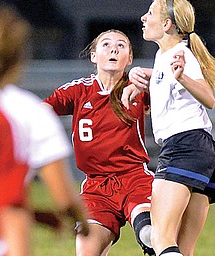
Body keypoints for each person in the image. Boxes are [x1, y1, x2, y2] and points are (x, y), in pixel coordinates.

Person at [0, 3, 88, 256]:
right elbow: (13, 205)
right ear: (18, 57)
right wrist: (82, 223)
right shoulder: (22, 112)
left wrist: (36, 215)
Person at [121, 0, 215, 255]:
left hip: (183, 147)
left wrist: (183, 78)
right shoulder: (167, 55)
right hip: (202, 150)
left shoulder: (181, 55)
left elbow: (209, 97)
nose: (143, 18)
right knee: (182, 248)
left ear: (167, 24)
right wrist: (140, 77)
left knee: (161, 238)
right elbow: (163, 74)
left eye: (150, 14)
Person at [43, 29, 156, 256]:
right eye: (106, 44)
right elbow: (40, 112)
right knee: (85, 250)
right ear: (94, 56)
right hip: (96, 188)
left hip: (135, 179)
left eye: (121, 45)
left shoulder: (139, 88)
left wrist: (149, 76)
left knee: (149, 233)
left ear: (130, 59)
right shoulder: (79, 90)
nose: (113, 48)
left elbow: (179, 80)